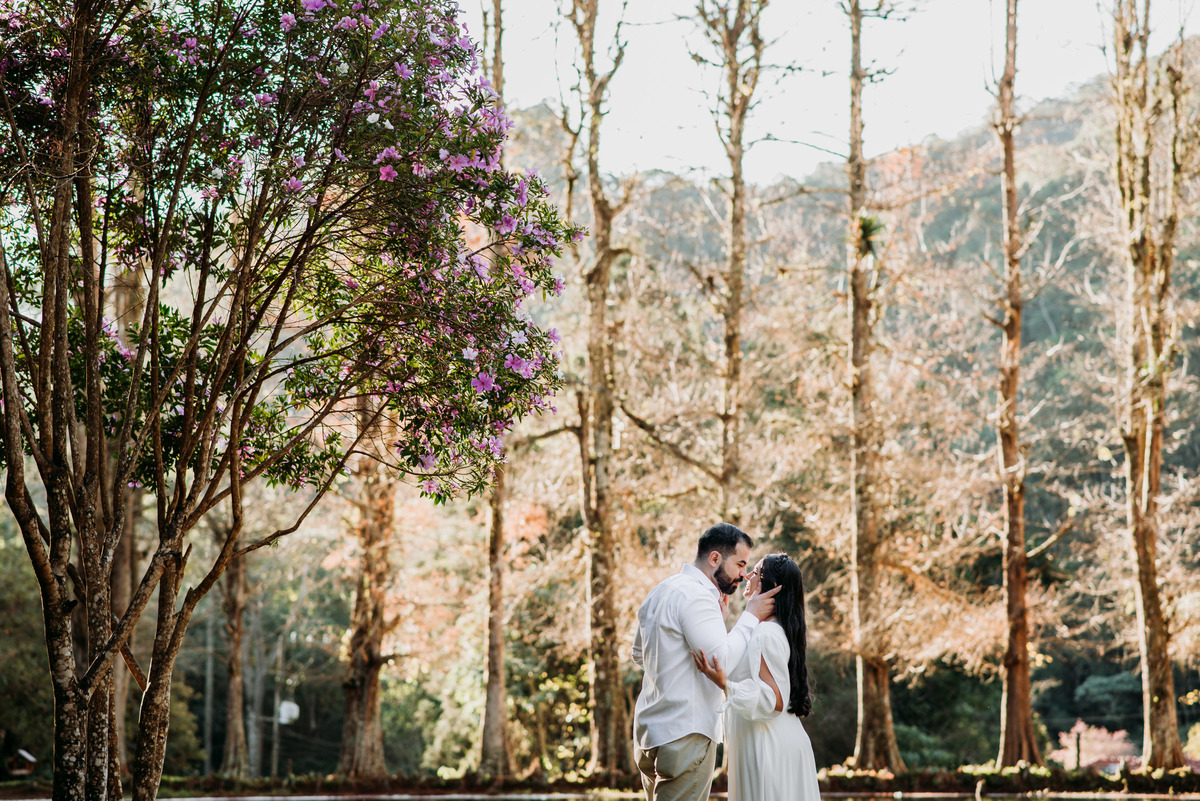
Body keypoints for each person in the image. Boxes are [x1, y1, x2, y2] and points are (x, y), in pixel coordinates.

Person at [631, 522, 780, 801]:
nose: (744, 574)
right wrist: (750, 616)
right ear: (714, 558)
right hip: (686, 733)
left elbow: (640, 654)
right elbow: (720, 662)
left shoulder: (660, 590)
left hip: (650, 734)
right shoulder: (698, 596)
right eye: (740, 564)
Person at [692, 553, 820, 801]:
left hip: (768, 747)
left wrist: (725, 685)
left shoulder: (766, 634)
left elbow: (774, 700)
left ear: (772, 587)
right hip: (764, 740)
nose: (747, 575)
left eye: (757, 572)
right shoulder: (765, 630)